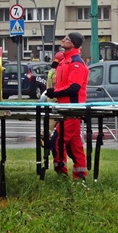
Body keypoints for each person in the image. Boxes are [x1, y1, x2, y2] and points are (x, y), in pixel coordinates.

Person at [46, 32, 89, 180]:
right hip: (66, 109)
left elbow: (74, 88)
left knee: (57, 142)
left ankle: (62, 174)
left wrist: (54, 92)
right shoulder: (65, 61)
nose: (63, 40)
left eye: (67, 39)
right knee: (75, 146)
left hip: (72, 110)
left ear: (73, 44)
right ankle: (80, 175)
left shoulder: (76, 63)